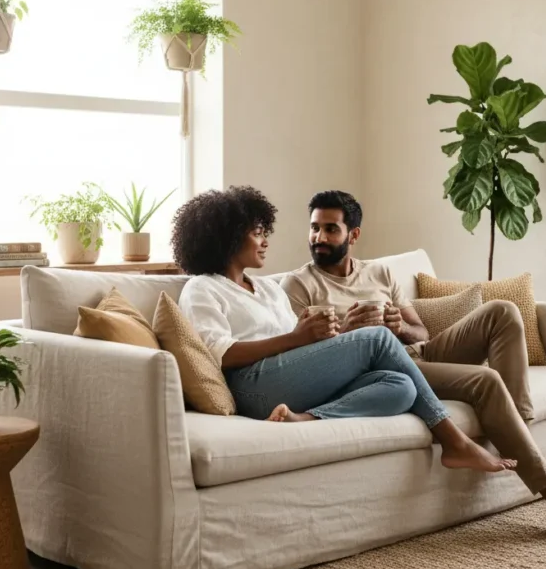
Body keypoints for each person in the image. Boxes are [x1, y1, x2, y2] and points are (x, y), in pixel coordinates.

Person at [279, 190, 546, 549]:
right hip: (384, 371)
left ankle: (522, 443)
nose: (319, 238)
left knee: (502, 311)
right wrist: (349, 333)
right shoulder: (299, 285)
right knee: (485, 381)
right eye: (314, 229)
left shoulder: (379, 273)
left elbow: (421, 333)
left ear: (354, 234)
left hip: (419, 353)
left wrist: (398, 325)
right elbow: (301, 360)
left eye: (330, 229)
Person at [172, 185, 519, 474]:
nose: (265, 241)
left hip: (289, 380)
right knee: (378, 338)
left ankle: (303, 418)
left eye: (265, 232)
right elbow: (222, 355)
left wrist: (320, 336)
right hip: (251, 386)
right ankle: (454, 441)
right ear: (228, 238)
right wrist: (297, 338)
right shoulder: (203, 288)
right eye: (257, 232)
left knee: (400, 387)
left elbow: (298, 344)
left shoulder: (266, 288)